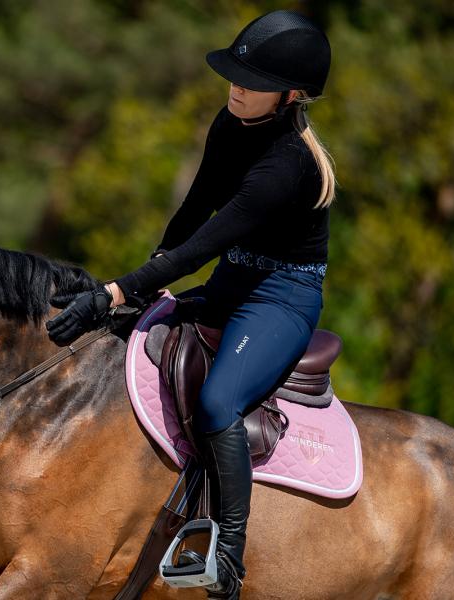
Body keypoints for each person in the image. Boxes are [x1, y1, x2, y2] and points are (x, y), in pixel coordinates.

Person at [47, 10, 333, 599]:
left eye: (252, 82)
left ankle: (227, 555)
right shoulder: (230, 125)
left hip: (281, 296)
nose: (236, 87)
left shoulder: (289, 167)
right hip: (234, 279)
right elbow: (191, 215)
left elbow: (207, 243)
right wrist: (143, 284)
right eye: (234, 74)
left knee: (217, 401)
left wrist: (117, 290)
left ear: (291, 95)